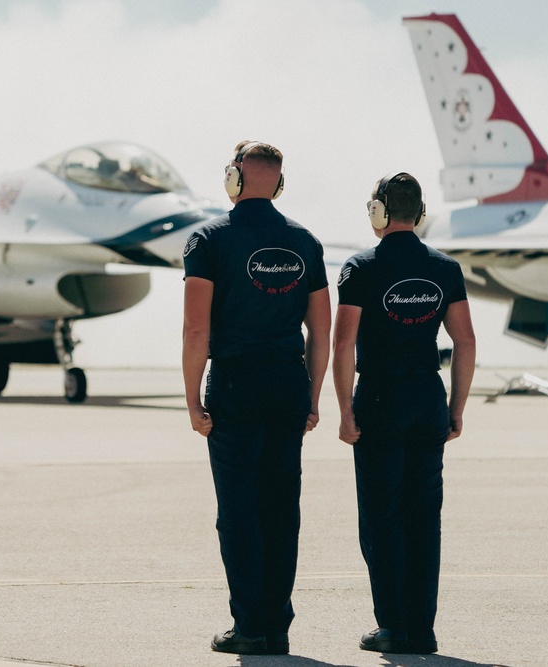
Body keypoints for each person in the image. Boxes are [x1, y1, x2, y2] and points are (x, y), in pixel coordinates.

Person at [182, 141, 331, 655]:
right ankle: (277, 626)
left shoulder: (206, 240)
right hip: (287, 385)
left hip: (235, 386)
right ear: (279, 182)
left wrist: (191, 401)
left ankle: (250, 626)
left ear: (234, 179)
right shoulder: (306, 242)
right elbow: (321, 331)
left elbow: (195, 330)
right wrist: (312, 397)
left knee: (238, 510)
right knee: (280, 507)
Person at [332, 172, 476, 654]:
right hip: (426, 399)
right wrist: (455, 407)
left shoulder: (360, 267)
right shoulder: (445, 268)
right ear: (418, 212)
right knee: (423, 517)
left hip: (379, 401)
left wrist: (343, 410)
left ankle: (393, 626)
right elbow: (465, 341)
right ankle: (423, 627)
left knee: (381, 517)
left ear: (378, 211)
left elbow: (343, 342)